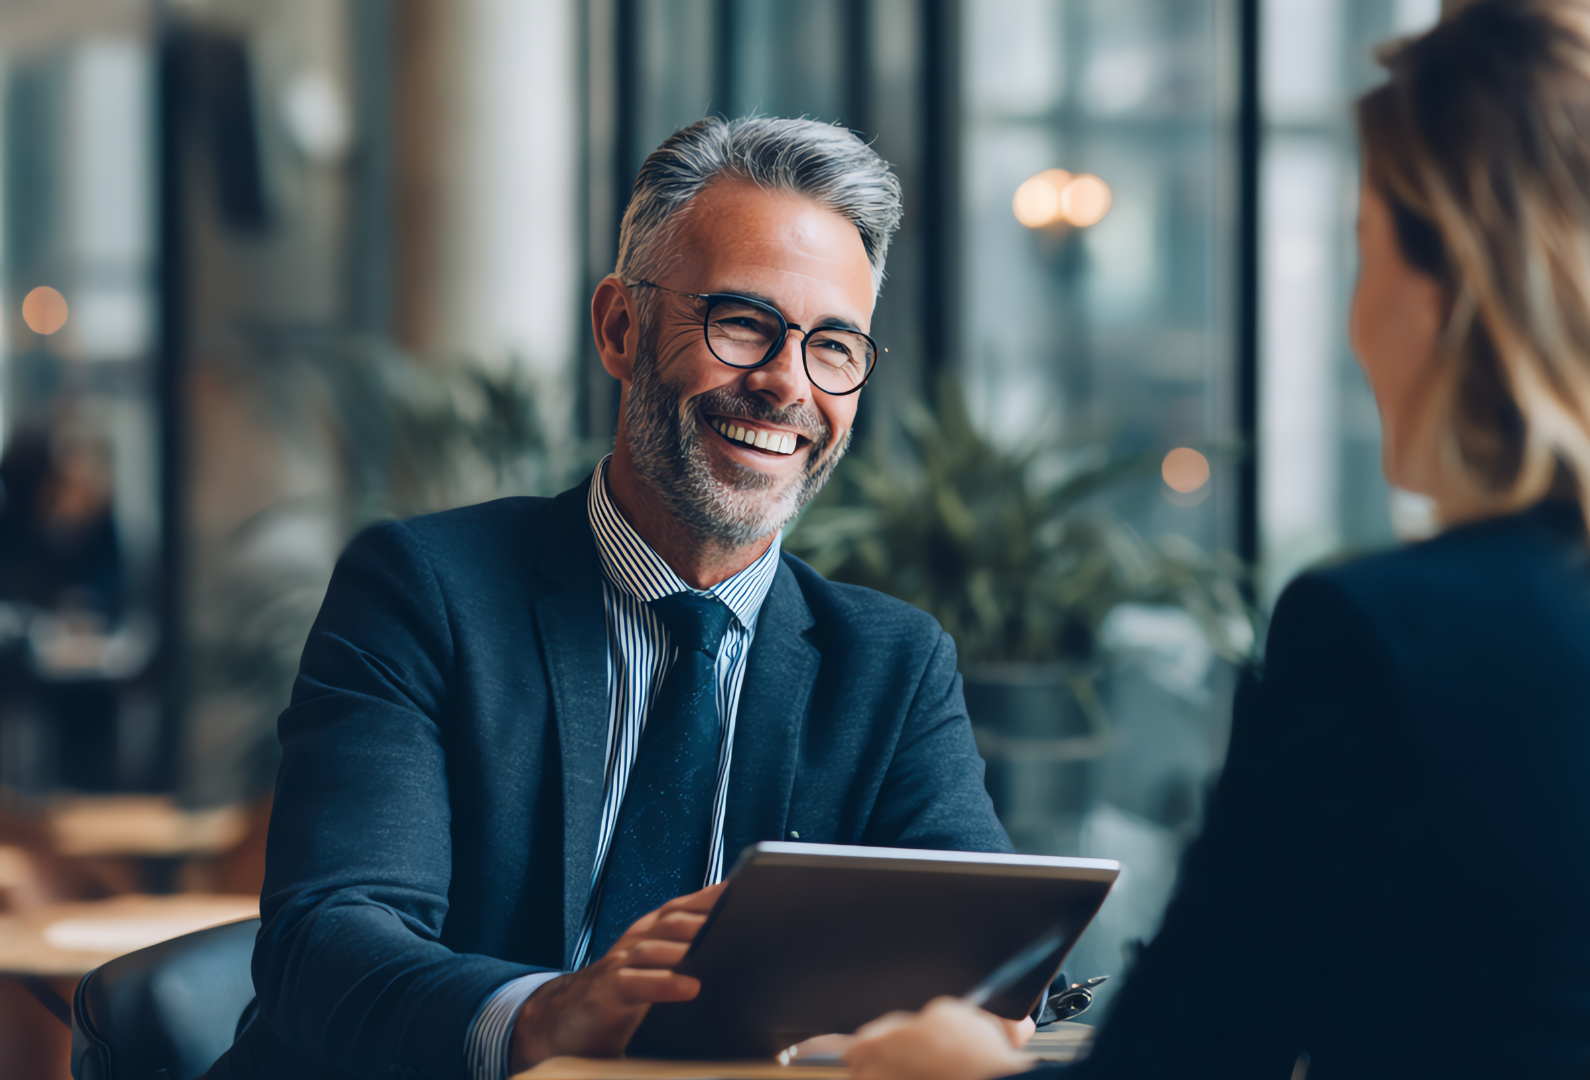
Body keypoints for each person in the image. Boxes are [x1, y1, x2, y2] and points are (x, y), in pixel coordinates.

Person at [837, 2, 1590, 1078]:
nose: (1356, 320)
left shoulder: (1397, 642)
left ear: (1460, 289)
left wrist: (956, 1071)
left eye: (1366, 250)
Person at [210, 117, 1013, 1080]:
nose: (786, 385)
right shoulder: (424, 589)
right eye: (744, 323)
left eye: (834, 346)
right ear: (621, 329)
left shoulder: (893, 662)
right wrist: (549, 1015)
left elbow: (986, 956)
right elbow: (327, 940)